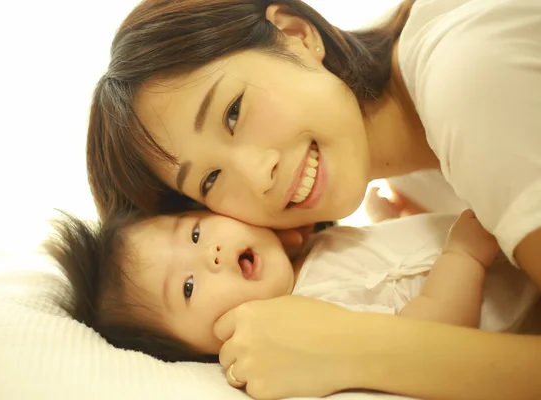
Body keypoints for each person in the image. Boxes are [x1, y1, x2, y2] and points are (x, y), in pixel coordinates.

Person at [85, 0, 541, 398]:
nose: (259, 175)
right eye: (210, 181)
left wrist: (349, 349)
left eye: (233, 112)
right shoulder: (412, 179)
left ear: (296, 34)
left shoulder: (468, 89)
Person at [45, 209, 536, 367]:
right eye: (189, 288)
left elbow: (392, 269)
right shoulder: (309, 319)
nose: (209, 253)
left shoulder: (311, 248)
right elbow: (430, 339)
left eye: (194, 232)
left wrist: (402, 223)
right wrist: (463, 257)